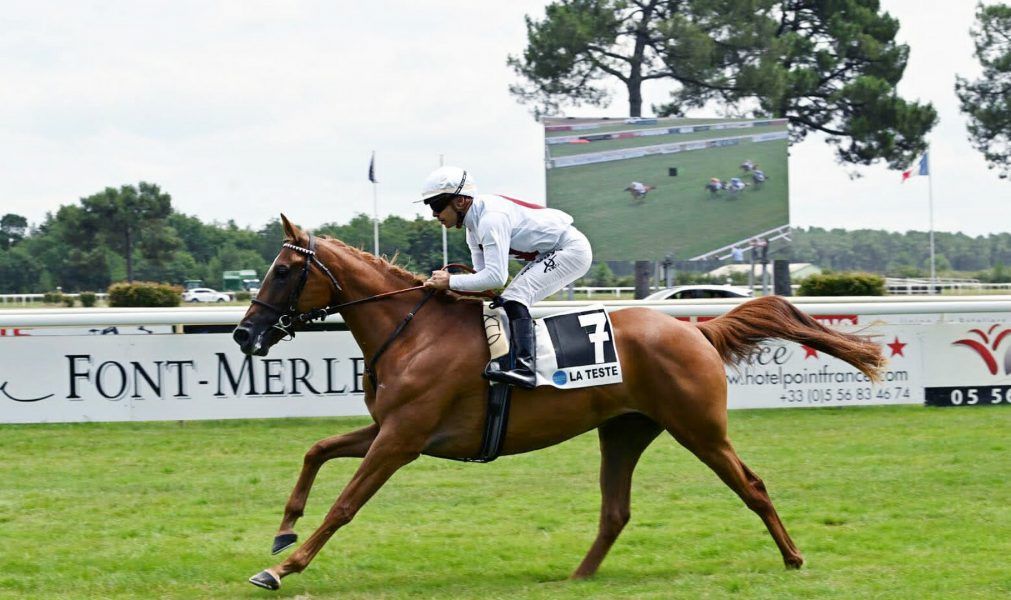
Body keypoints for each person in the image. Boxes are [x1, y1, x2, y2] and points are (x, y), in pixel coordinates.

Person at [420, 166, 593, 389]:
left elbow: (495, 278)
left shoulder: (491, 220)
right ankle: (514, 360)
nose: (434, 213)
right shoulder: (473, 229)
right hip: (552, 250)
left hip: (571, 250)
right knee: (507, 300)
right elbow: (482, 280)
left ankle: (525, 369)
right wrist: (446, 287)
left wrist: (450, 281)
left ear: (461, 202)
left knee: (515, 297)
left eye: (437, 205)